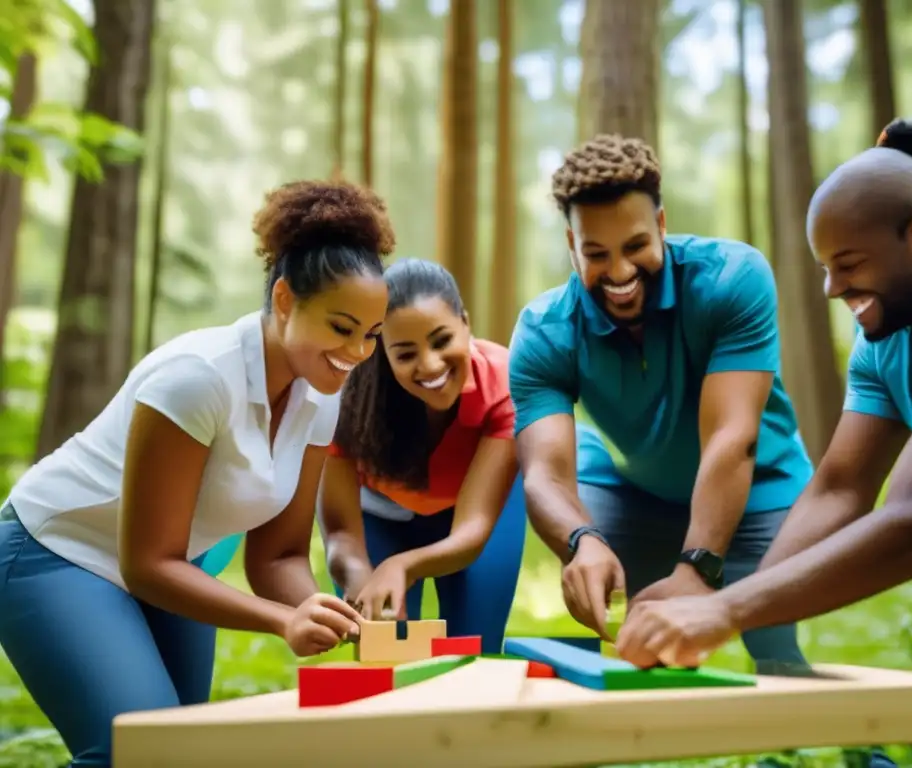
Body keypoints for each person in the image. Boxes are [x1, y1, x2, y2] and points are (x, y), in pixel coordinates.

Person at [615, 119, 912, 750]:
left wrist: (722, 611)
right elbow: (839, 491)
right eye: (825, 268)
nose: (833, 289)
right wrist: (729, 603)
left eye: (850, 265)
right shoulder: (886, 342)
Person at [0, 178, 394, 767]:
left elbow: (278, 556)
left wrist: (328, 615)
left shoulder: (321, 393)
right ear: (285, 300)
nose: (358, 353)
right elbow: (146, 563)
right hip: (56, 549)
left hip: (171, 567)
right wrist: (284, 620)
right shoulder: (198, 378)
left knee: (184, 752)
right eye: (342, 328)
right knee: (134, 750)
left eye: (371, 335)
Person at [507, 133, 813, 671]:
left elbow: (731, 438)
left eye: (635, 246)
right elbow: (544, 476)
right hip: (634, 492)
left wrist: (697, 567)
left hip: (758, 483)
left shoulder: (731, 279)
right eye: (596, 253)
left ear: (663, 226)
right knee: (641, 647)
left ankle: (855, 754)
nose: (621, 273)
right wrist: (581, 542)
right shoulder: (543, 331)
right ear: (571, 245)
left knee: (772, 646)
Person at [320, 258, 524, 654]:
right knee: (386, 650)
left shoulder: (504, 383)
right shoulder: (344, 396)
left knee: (473, 647)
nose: (430, 364)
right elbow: (341, 531)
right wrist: (360, 573)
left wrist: (403, 566)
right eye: (406, 353)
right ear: (382, 349)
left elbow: (472, 532)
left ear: (465, 323)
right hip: (379, 515)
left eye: (442, 339)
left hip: (474, 513)